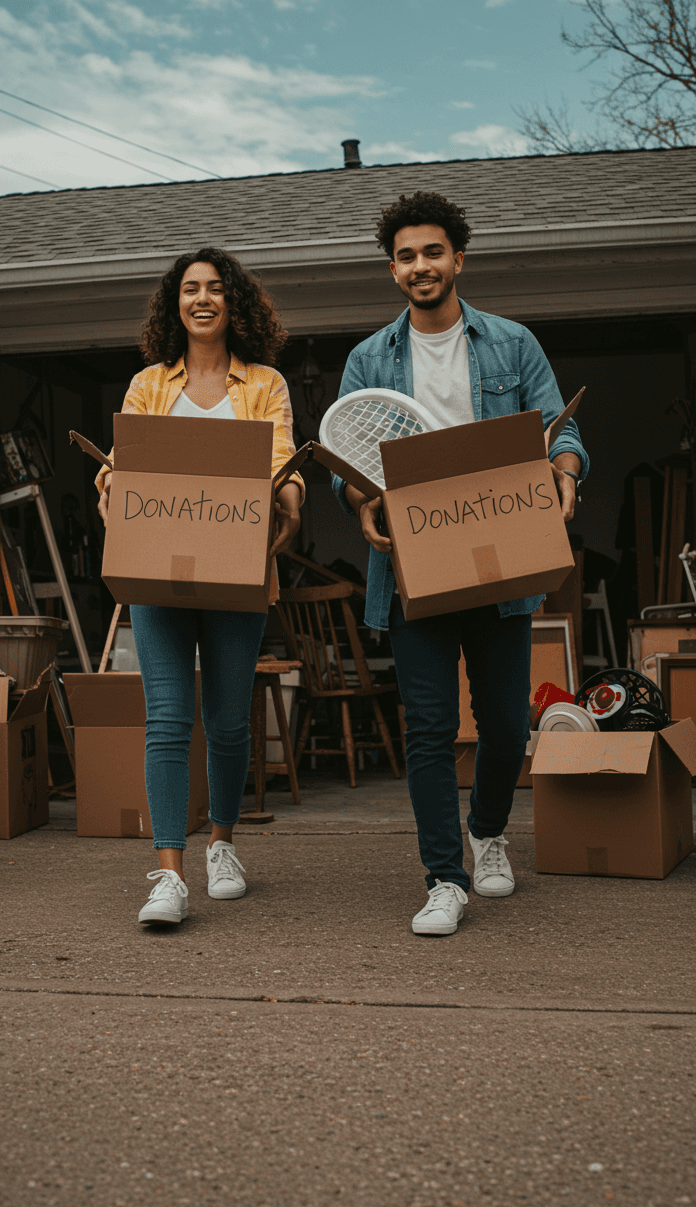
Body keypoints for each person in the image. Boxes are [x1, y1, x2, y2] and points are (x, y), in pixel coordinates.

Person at [331, 191, 588, 936]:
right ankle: (445, 877)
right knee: (431, 728)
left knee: (506, 725)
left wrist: (566, 475)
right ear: (393, 269)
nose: (421, 266)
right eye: (407, 256)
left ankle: (489, 829)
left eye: (433, 252)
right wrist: (360, 499)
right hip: (412, 568)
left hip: (499, 558)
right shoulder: (367, 359)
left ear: (458, 258)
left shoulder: (511, 344)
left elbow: (560, 430)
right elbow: (345, 462)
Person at [96, 246, 303, 926]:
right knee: (166, 717)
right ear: (174, 303)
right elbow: (122, 463)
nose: (203, 299)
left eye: (216, 288)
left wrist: (293, 491)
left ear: (233, 301)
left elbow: (280, 461)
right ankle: (168, 873)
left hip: (239, 568)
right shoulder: (149, 383)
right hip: (158, 572)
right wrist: (109, 487)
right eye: (190, 289)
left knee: (228, 718)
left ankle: (221, 843)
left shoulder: (265, 383)